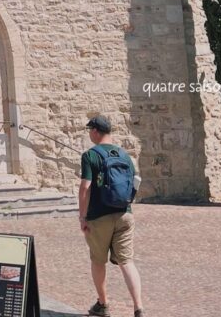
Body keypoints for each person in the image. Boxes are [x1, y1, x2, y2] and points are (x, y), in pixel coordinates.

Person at [78, 115, 144, 317]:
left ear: (96, 131)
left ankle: (103, 304)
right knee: (127, 261)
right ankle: (138, 307)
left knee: (98, 261)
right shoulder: (125, 156)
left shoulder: (90, 156)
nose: (90, 134)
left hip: (99, 217)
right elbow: (135, 182)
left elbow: (85, 188)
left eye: (90, 130)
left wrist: (83, 217)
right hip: (125, 214)